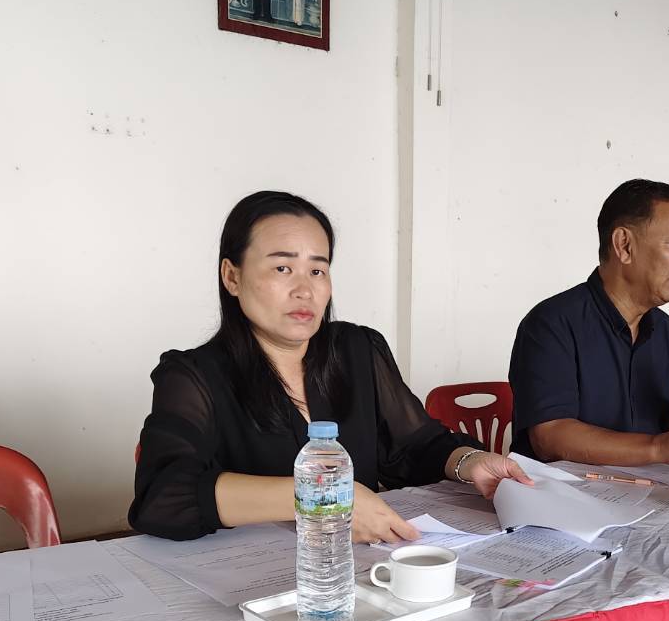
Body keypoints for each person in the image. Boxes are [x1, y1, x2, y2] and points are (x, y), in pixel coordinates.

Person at [131, 191, 529, 543]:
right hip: (254, 580)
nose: (305, 289)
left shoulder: (358, 349)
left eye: (317, 270)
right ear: (232, 277)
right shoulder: (193, 376)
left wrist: (469, 462)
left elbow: (416, 445)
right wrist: (323, 496)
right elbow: (163, 497)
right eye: (282, 268)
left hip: (358, 566)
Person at [509, 179, 669, 466]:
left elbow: (660, 436)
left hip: (646, 489)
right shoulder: (552, 324)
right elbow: (550, 438)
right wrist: (657, 448)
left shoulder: (665, 331)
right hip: (564, 491)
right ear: (624, 245)